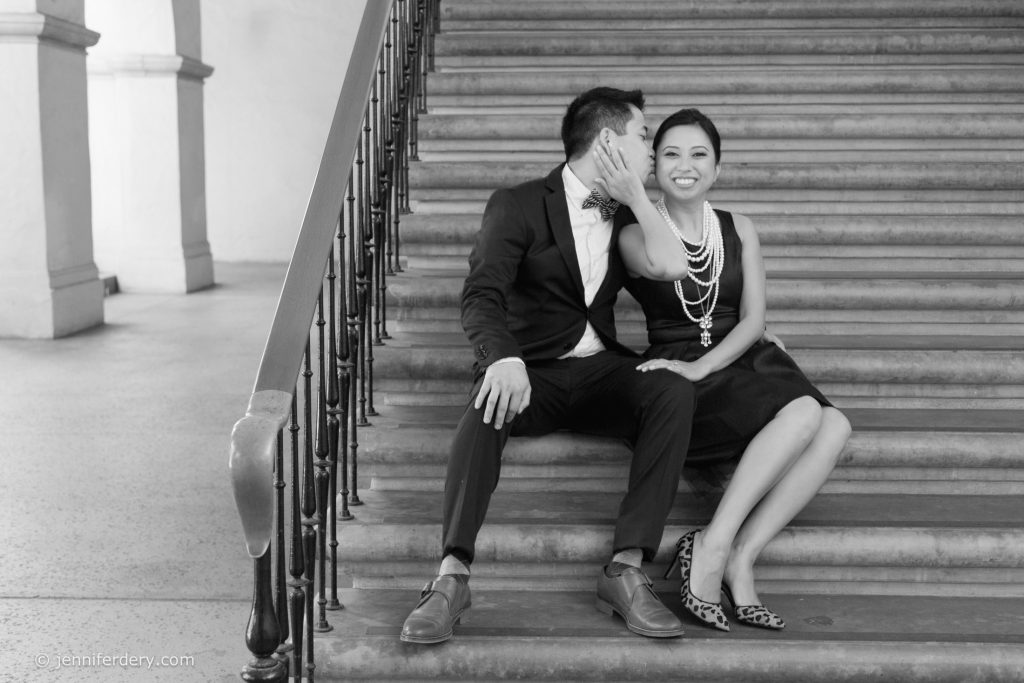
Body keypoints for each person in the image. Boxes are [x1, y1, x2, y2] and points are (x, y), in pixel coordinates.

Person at [400, 88, 697, 644]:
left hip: (599, 371)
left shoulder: (628, 213)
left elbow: (674, 265)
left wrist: (635, 196)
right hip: (529, 372)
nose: (653, 151)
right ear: (607, 140)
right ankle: (450, 579)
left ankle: (626, 569)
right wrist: (502, 356)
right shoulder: (517, 204)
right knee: (485, 406)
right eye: (643, 137)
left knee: (671, 392)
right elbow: (481, 294)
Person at [594, 107, 852, 631]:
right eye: (668, 154)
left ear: (718, 168)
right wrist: (638, 197)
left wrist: (719, 359)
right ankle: (711, 548)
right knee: (806, 411)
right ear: (652, 166)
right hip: (679, 369)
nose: (684, 165)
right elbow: (665, 266)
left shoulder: (741, 228)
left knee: (836, 424)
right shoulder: (631, 233)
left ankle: (738, 553)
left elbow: (754, 317)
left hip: (738, 358)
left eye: (698, 155)